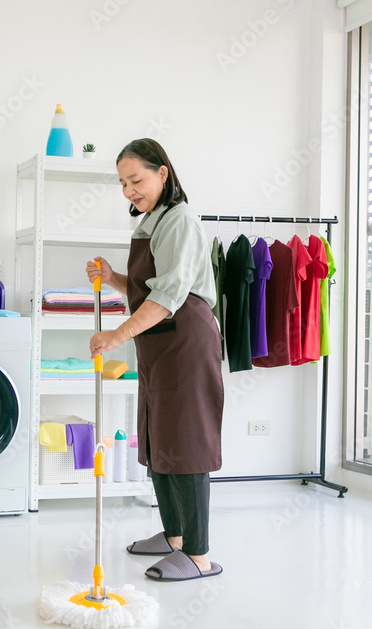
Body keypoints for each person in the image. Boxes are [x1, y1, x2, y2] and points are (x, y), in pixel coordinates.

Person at [86, 138, 224, 581]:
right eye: (124, 183)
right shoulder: (153, 222)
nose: (129, 190)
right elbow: (149, 283)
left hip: (184, 340)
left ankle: (199, 556)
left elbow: (167, 297)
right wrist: (112, 280)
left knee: (187, 442)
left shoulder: (179, 220)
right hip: (161, 344)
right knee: (159, 438)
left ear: (162, 173)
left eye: (137, 179)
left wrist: (115, 336)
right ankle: (174, 537)